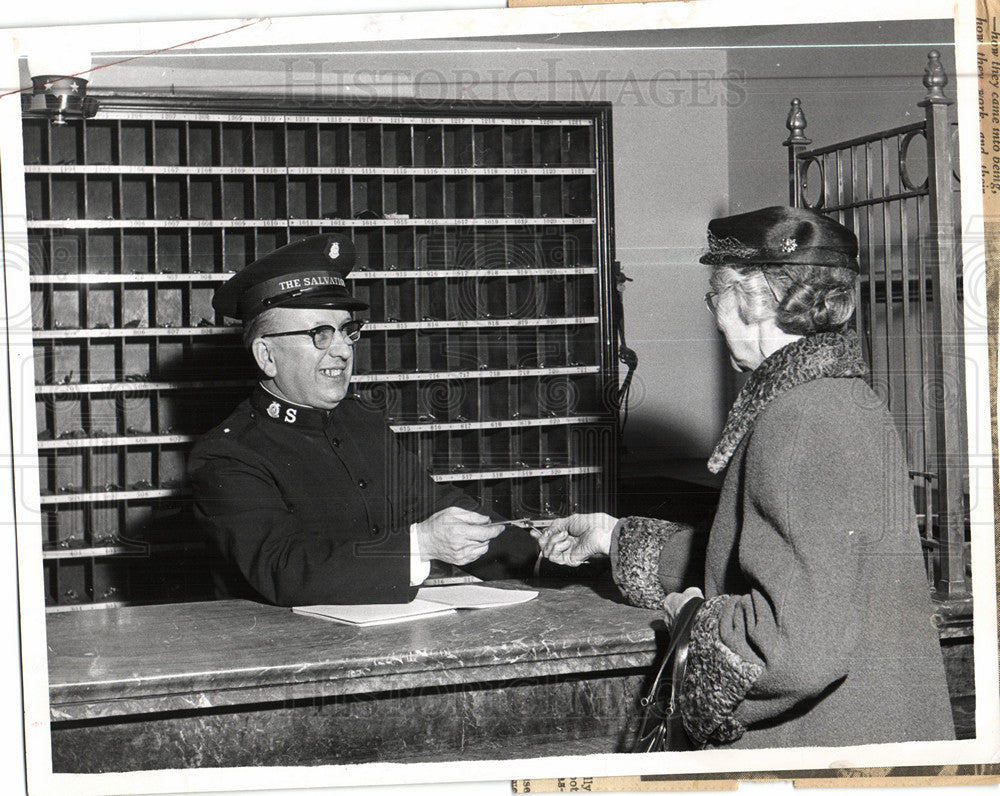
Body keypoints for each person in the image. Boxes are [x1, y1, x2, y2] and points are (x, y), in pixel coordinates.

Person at [535, 206, 955, 749]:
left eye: (716, 297)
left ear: (754, 297)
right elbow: (775, 555)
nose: (715, 317)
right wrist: (615, 538)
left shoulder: (797, 421)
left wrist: (689, 617)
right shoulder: (839, 398)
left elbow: (790, 649)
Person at [189, 233, 538, 606]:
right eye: (319, 335)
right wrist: (420, 545)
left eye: (346, 330)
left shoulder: (361, 422)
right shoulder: (228, 454)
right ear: (266, 356)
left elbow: (433, 505)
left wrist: (541, 552)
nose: (342, 350)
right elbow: (284, 569)